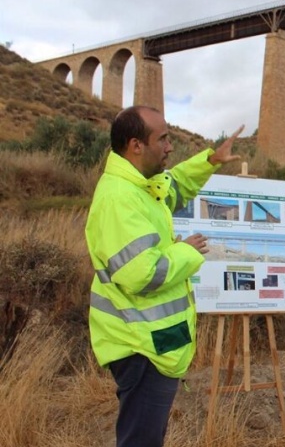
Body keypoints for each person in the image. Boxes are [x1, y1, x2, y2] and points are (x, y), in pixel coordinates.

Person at [85, 106, 244, 447]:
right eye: (163, 138)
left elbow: (174, 187)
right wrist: (187, 250)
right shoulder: (119, 199)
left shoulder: (142, 186)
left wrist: (211, 161)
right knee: (141, 440)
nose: (170, 146)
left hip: (153, 339)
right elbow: (141, 273)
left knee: (148, 436)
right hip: (139, 345)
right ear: (136, 145)